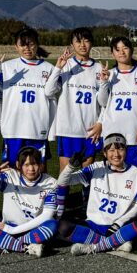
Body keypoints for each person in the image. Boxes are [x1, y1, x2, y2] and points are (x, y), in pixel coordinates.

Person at [57, 133, 137, 255]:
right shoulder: (96, 168)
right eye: (111, 149)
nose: (116, 154)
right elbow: (62, 181)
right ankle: (115, 243)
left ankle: (93, 247)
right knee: (63, 226)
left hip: (117, 227)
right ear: (105, 153)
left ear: (126, 150)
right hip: (93, 224)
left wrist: (118, 224)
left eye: (120, 148)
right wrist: (70, 167)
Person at [0, 146, 58, 257]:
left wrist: (13, 231)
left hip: (33, 228)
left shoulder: (51, 183)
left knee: (52, 225)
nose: (31, 169)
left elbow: (47, 215)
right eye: (26, 165)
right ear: (18, 165)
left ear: (41, 165)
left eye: (35, 164)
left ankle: (4, 243)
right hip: (8, 226)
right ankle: (25, 247)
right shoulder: (9, 176)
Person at [46, 28, 103, 172]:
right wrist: (58, 68)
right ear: (72, 44)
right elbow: (49, 91)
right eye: (78, 41)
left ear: (92, 43)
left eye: (86, 40)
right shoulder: (66, 65)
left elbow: (105, 102)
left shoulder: (99, 68)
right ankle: (62, 196)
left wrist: (100, 123)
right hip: (67, 129)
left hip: (90, 130)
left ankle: (86, 195)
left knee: (87, 171)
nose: (82, 45)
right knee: (65, 172)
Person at [0, 27, 55, 165]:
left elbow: (52, 98)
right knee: (11, 170)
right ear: (16, 46)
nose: (27, 48)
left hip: (37, 128)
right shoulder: (6, 67)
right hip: (13, 128)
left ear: (37, 44)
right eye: (23, 44)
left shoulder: (49, 68)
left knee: (38, 170)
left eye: (31, 44)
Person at [95, 36, 137, 169]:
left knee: (134, 173)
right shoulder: (108, 74)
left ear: (131, 50)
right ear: (112, 53)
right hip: (112, 132)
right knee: (112, 174)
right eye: (117, 49)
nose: (121, 52)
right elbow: (103, 102)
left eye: (125, 48)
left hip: (136, 133)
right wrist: (104, 82)